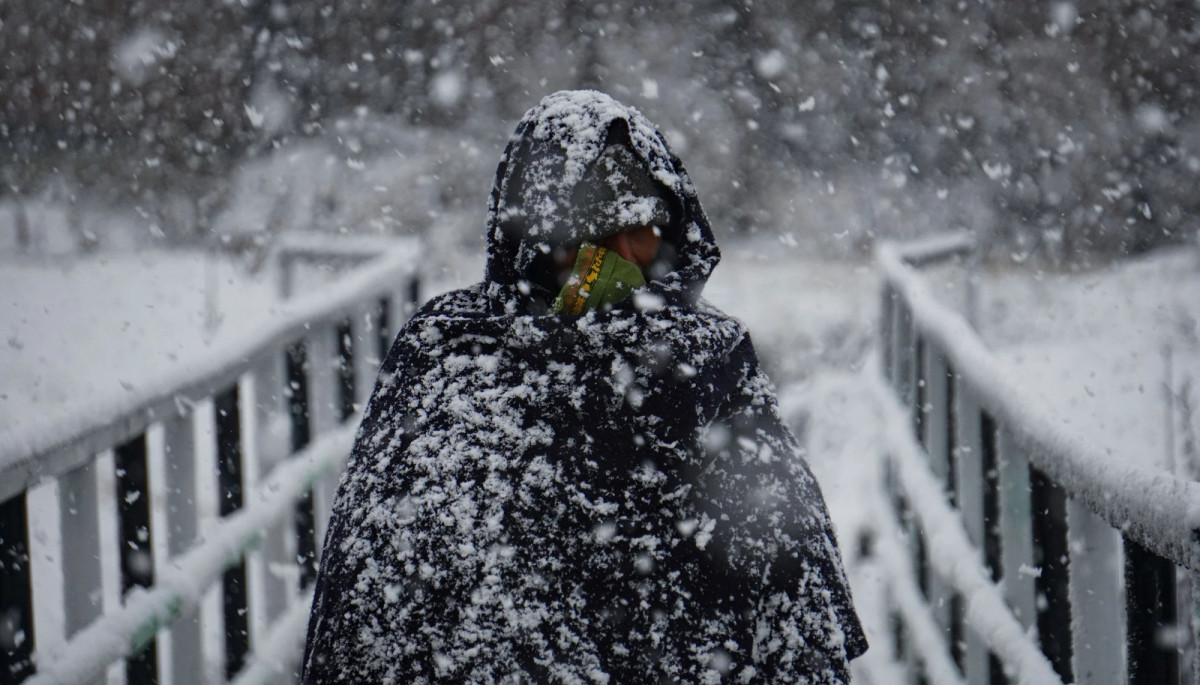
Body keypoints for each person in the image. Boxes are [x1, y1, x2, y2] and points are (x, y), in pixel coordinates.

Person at [301, 90, 867, 683]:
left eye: (643, 231)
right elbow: (385, 605)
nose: (620, 260)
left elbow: (794, 611)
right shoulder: (451, 356)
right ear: (534, 249)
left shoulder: (714, 369)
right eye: (591, 236)